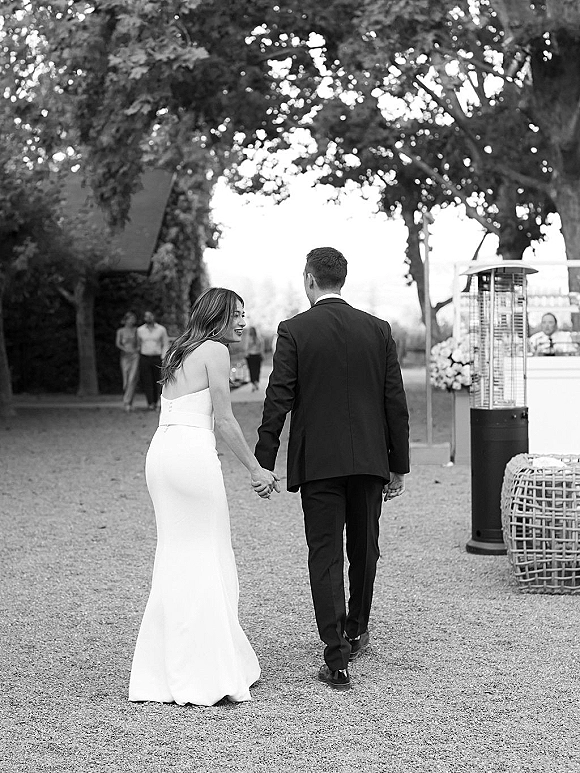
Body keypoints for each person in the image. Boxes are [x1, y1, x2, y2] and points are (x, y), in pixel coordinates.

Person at [254, 247, 410, 691]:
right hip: (368, 459)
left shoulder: (294, 330)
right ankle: (356, 629)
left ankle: (336, 657)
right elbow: (393, 401)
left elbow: (278, 397)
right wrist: (398, 464)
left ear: (309, 280)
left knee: (324, 552)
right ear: (343, 279)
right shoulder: (377, 329)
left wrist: (264, 461)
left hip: (319, 462)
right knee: (365, 547)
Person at [129, 288, 279, 707]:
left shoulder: (181, 347)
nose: (243, 322)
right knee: (207, 554)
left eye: (244, 315)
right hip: (192, 455)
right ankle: (206, 672)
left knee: (175, 555)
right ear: (217, 315)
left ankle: (163, 671)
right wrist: (255, 469)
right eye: (237, 314)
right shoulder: (214, 350)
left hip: (161, 453)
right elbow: (225, 421)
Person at [137, 311, 169, 410]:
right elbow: (138, 344)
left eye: (150, 316)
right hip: (145, 357)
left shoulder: (161, 329)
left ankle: (156, 401)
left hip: (157, 357)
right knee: (147, 381)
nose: (149, 318)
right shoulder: (140, 330)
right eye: (146, 316)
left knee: (157, 380)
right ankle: (150, 403)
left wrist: (164, 357)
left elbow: (165, 343)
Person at [115, 312, 140, 412]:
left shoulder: (136, 331)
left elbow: (138, 344)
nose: (132, 321)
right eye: (130, 319)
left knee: (132, 378)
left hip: (134, 356)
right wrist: (125, 349)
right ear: (126, 320)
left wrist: (136, 349)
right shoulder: (120, 331)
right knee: (126, 379)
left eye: (133, 319)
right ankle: (128, 401)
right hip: (125, 356)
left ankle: (127, 401)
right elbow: (118, 343)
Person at [245, 326, 265, 391]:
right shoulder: (259, 339)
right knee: (257, 370)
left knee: (251, 370)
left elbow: (247, 348)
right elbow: (261, 348)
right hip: (257, 356)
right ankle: (256, 382)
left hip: (251, 356)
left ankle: (253, 383)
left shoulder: (248, 339)